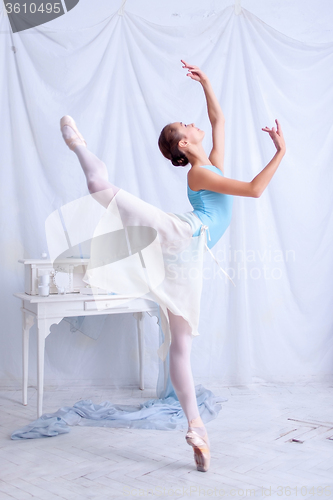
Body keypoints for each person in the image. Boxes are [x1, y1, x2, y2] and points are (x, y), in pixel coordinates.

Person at [59, 60, 286, 473]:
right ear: (183, 144)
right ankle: (78, 145)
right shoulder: (201, 173)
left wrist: (207, 83)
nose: (196, 124)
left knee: (181, 345)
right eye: (187, 125)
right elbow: (254, 189)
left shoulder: (210, 163)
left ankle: (197, 429)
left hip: (187, 257)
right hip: (181, 235)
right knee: (102, 191)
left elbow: (218, 118)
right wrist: (281, 152)